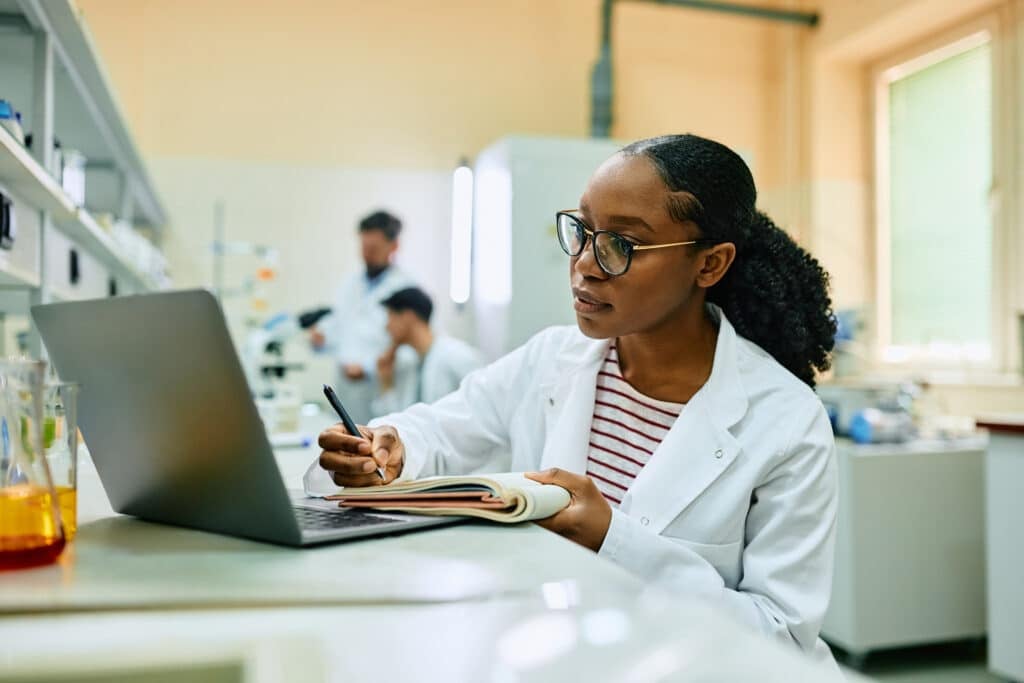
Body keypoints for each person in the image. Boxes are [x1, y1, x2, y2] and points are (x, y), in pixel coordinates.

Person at [313, 134, 838, 664]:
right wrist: (391, 447)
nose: (585, 264)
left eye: (621, 245)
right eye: (582, 231)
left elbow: (781, 638)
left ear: (710, 265)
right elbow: (441, 430)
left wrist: (613, 539)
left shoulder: (786, 422)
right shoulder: (552, 359)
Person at [310, 210, 415, 424]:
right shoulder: (350, 285)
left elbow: (409, 349)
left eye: (374, 248)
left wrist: (367, 369)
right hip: (345, 392)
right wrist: (322, 339)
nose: (367, 254)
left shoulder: (406, 290)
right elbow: (341, 330)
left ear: (394, 246)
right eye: (364, 247)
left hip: (380, 395)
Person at [371, 287, 483, 416]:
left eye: (390, 316)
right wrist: (386, 381)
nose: (387, 326)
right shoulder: (411, 363)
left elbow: (481, 409)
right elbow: (398, 422)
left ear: (408, 317)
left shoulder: (458, 356)